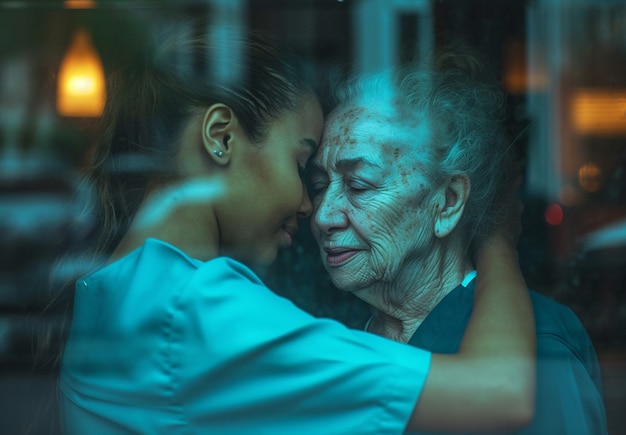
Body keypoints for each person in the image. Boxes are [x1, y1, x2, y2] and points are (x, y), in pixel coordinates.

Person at [46, 17, 536, 434]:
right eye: (304, 168)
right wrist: (495, 234)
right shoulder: (201, 312)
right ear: (220, 137)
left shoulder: (115, 286)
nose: (312, 208)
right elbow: (502, 391)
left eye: (359, 184)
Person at [309, 46, 607, 434]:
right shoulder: (338, 340)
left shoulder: (538, 343)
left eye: (359, 185)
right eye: (319, 185)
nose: (322, 216)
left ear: (447, 202)